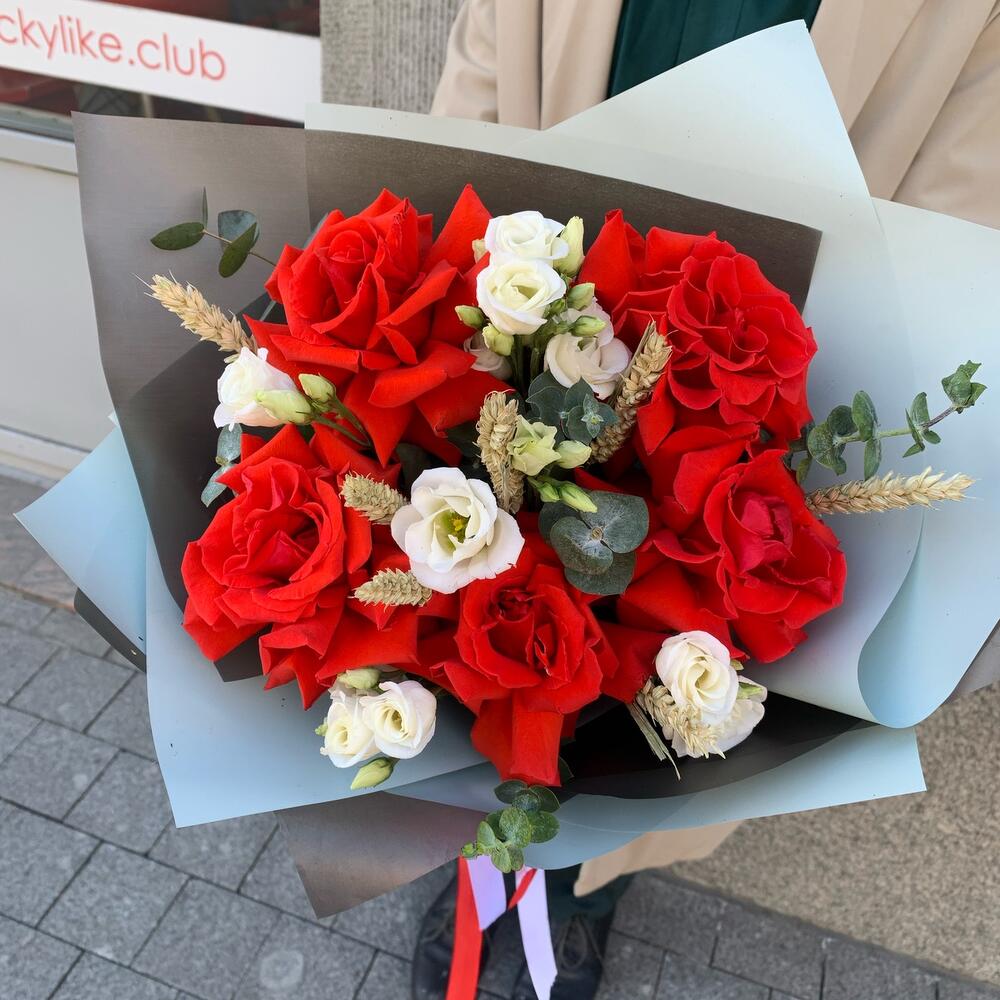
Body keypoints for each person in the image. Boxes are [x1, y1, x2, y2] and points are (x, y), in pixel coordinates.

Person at [414, 2, 1000, 998]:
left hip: (764, 411)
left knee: (657, 688)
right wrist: (450, 299)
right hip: (531, 337)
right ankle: (482, 859)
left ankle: (580, 890)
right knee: (483, 640)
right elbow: (483, 68)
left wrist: (777, 437)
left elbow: (953, 235)